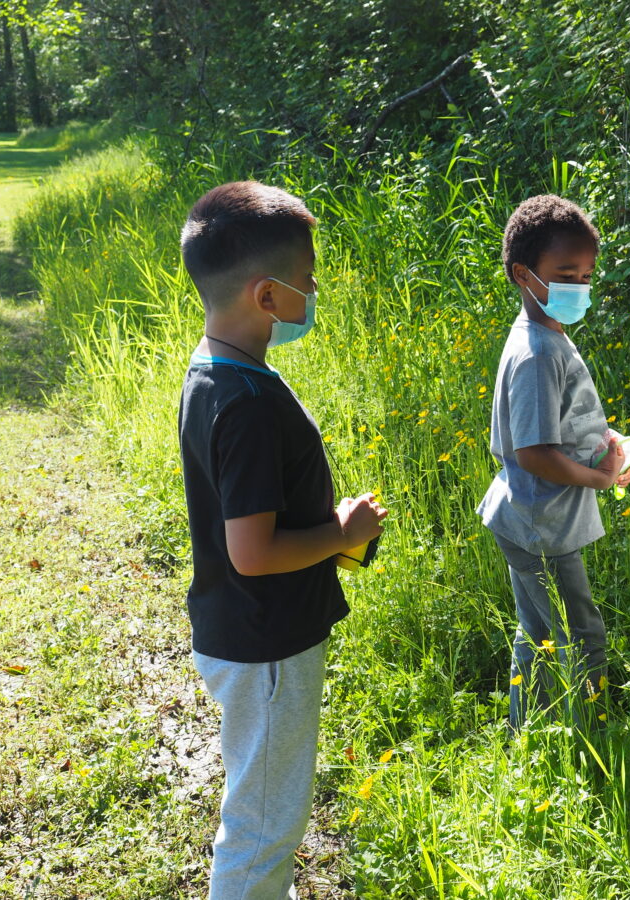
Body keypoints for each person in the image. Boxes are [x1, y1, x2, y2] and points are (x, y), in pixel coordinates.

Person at [177, 181, 386, 899]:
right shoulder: (246, 404)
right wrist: (343, 533)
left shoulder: (216, 371)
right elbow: (254, 552)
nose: (315, 287)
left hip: (247, 631)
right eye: (306, 278)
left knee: (266, 801)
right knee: (265, 824)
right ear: (267, 297)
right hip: (266, 641)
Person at [476, 194, 630, 731]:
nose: (580, 287)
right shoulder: (539, 353)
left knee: (540, 628)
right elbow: (533, 452)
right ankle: (593, 735)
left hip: (531, 516)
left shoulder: (546, 336)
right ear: (524, 275)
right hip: (541, 525)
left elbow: (559, 424)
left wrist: (605, 446)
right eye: (566, 274)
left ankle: (524, 730)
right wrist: (599, 477)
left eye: (588, 275)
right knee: (579, 633)